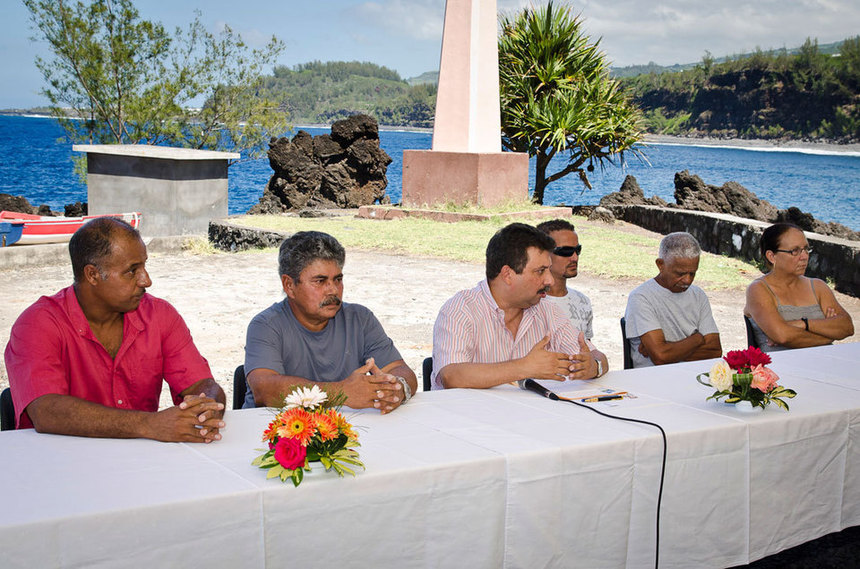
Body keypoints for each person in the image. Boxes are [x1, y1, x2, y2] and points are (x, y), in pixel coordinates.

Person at [4, 217, 225, 442]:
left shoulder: (160, 315)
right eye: (132, 270)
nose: (146, 280)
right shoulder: (38, 323)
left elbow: (201, 384)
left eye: (144, 266)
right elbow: (46, 411)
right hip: (59, 462)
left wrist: (209, 406)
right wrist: (148, 425)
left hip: (142, 460)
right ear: (92, 275)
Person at [243, 231, 417, 413]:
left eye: (338, 279)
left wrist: (396, 389)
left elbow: (401, 370)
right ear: (289, 285)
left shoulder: (360, 318)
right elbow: (265, 391)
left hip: (346, 431)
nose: (333, 290)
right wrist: (342, 392)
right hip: (276, 434)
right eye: (320, 281)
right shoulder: (266, 325)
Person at [431, 222, 600, 390]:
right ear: (508, 274)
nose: (550, 280)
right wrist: (524, 367)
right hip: (468, 415)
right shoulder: (460, 310)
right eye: (540, 271)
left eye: (548, 269)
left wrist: (594, 366)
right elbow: (451, 376)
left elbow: (595, 355)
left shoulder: (546, 309)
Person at [745, 223, 853, 351]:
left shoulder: (818, 287)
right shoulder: (759, 289)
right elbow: (783, 336)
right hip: (778, 368)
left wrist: (803, 324)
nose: (804, 256)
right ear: (772, 256)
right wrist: (829, 335)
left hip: (824, 362)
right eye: (795, 251)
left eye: (806, 249)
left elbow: (847, 327)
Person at [624, 231, 722, 367]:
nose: (687, 280)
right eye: (680, 273)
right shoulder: (641, 297)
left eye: (692, 273)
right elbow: (660, 356)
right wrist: (698, 338)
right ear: (660, 265)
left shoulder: (698, 295)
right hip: (653, 379)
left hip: (693, 375)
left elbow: (715, 350)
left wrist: (669, 351)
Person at [536, 218, 609, 376]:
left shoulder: (582, 301)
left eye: (578, 250)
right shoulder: (530, 302)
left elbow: (591, 349)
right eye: (566, 251)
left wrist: (595, 368)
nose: (575, 258)